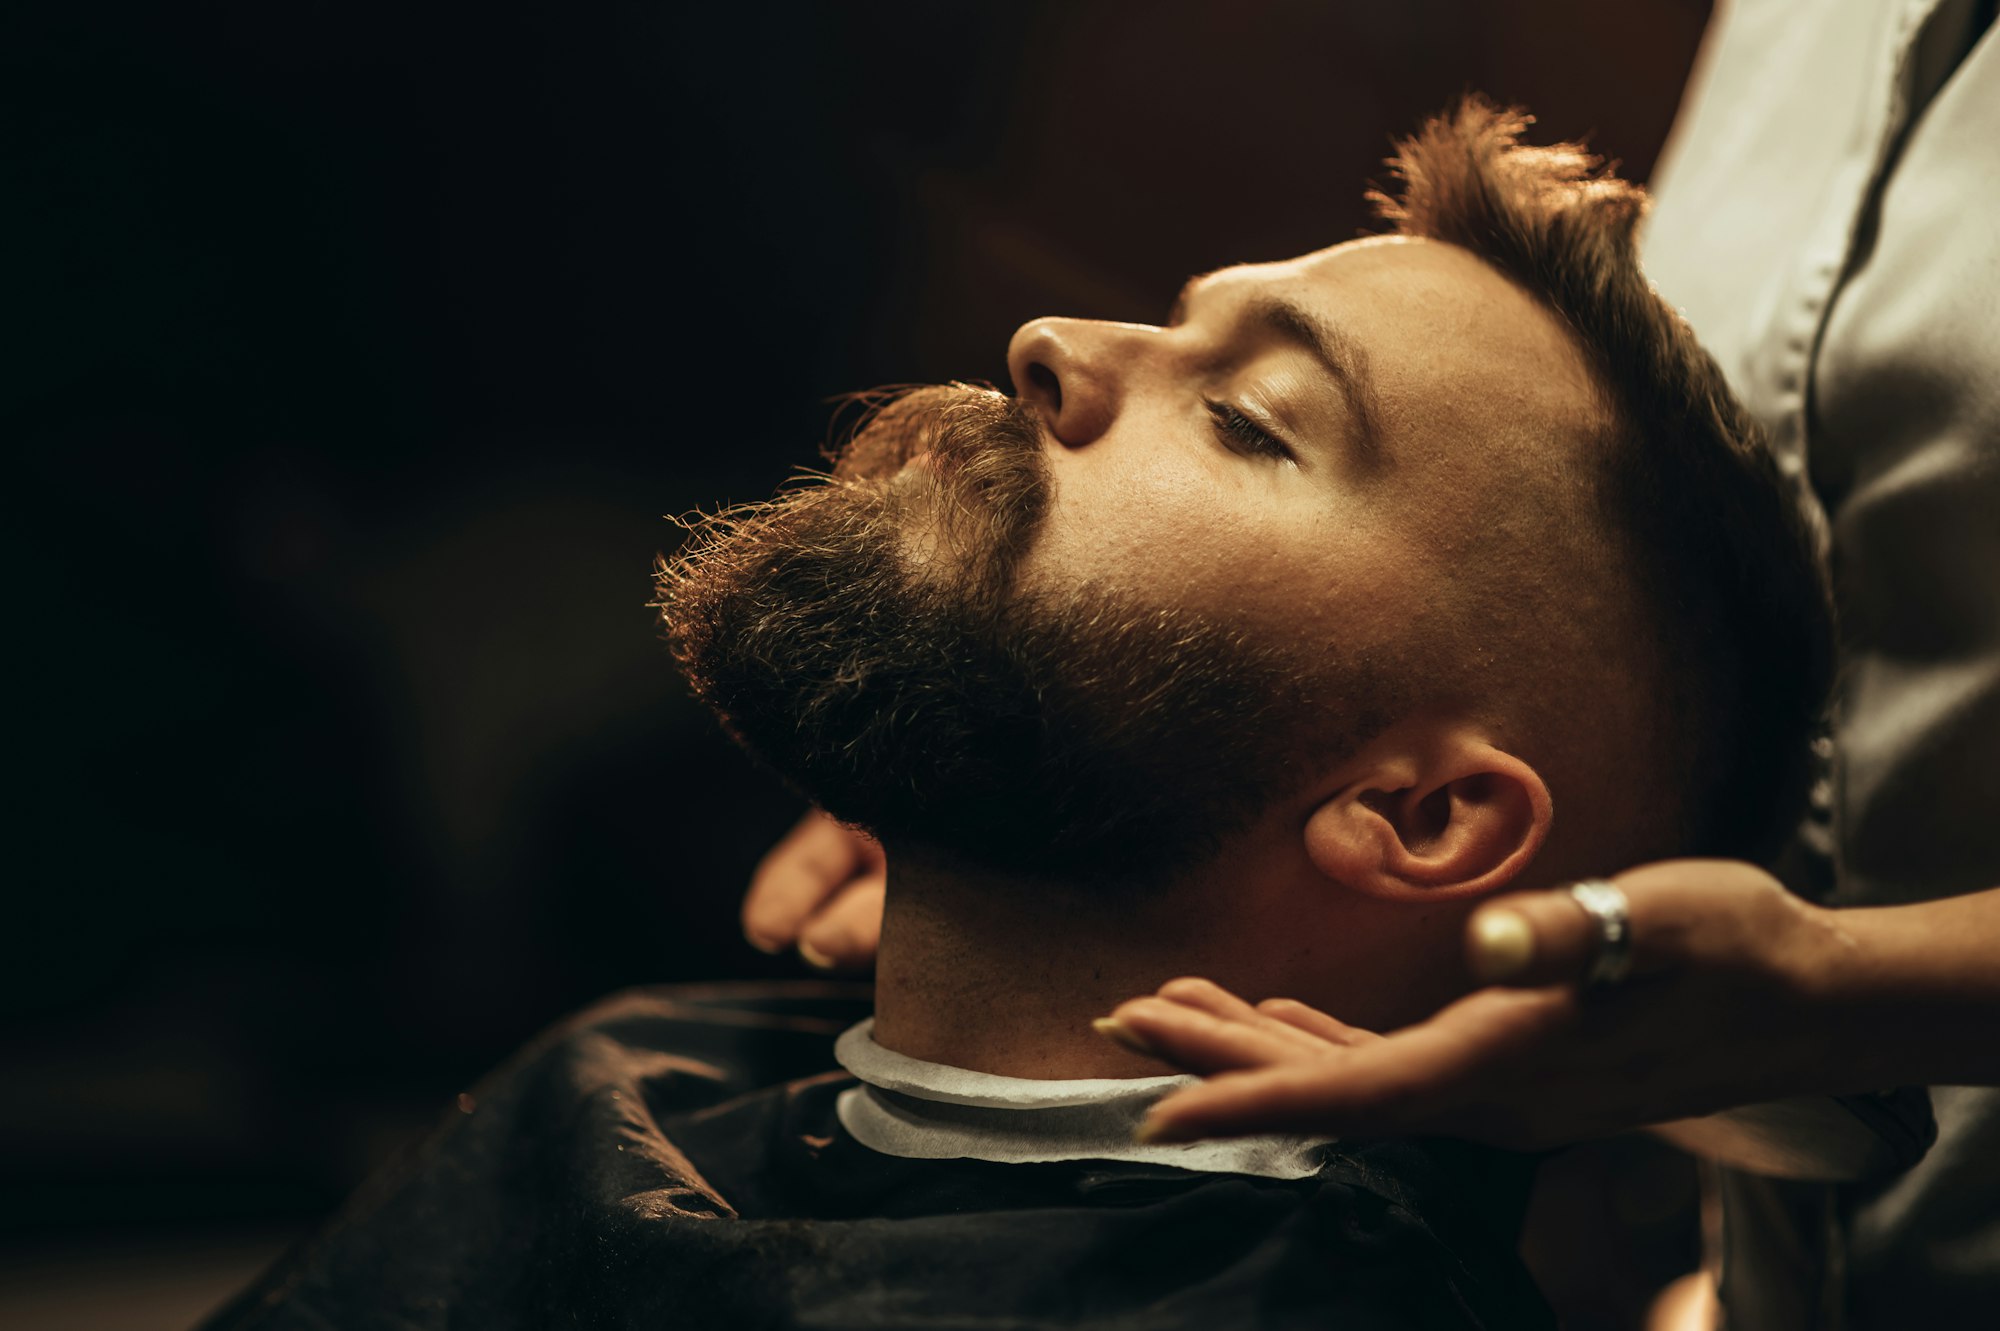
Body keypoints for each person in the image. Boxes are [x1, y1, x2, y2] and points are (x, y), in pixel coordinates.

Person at [208, 101, 1826, 1328]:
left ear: (1418, 817)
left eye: (1254, 423)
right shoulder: (642, 1088)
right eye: (1168, 317)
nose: (1050, 342)